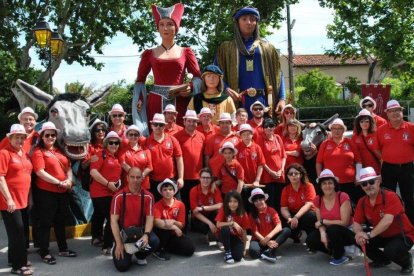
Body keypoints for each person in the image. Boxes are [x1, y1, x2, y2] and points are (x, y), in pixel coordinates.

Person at [134, 3, 201, 135]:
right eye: (162, 24)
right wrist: (139, 102)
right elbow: (140, 82)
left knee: (181, 135)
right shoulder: (149, 54)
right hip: (155, 101)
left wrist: (191, 88)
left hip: (181, 100)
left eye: (170, 24)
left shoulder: (186, 52)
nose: (165, 28)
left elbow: (198, 76)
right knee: (156, 137)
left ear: (176, 27)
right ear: (157, 28)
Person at [215, 6, 285, 119]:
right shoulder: (226, 48)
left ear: (256, 23)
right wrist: (225, 88)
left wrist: (282, 98)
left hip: (264, 103)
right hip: (237, 102)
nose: (249, 22)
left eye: (252, 19)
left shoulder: (268, 48)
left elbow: (279, 74)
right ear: (237, 23)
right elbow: (215, 74)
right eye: (244, 19)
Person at [31, 122, 77, 265]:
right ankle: (44, 252)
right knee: (45, 222)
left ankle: (63, 248)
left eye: (53, 135)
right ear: (42, 136)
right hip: (46, 193)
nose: (50, 137)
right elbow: (40, 172)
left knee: (60, 221)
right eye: (47, 135)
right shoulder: (38, 152)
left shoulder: (60, 150)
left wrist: (69, 180)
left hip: (62, 192)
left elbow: (68, 167)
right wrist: (58, 182)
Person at [353, 167, 414, 274]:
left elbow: (387, 221)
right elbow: (356, 222)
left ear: (378, 181)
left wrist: (368, 235)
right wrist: (359, 233)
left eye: (371, 182)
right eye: (364, 184)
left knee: (391, 250)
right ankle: (382, 260)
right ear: (362, 187)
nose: (368, 186)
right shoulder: (362, 201)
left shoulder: (390, 196)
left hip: (403, 235)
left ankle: (407, 261)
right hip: (382, 234)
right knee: (357, 238)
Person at [110, 167, 159, 272]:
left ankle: (140, 256)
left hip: (139, 233)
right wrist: (119, 243)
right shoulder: (118, 196)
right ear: (127, 178)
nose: (135, 180)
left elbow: (150, 218)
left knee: (154, 240)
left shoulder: (148, 196)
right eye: (132, 177)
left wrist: (146, 235)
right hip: (124, 234)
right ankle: (117, 246)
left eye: (138, 177)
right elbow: (113, 221)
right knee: (122, 267)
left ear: (142, 178)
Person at [0, 124, 33, 275]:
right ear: (10, 138)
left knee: (18, 231)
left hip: (23, 199)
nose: (19, 140)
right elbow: (0, 177)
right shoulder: (4, 153)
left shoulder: (24, 153)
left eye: (22, 137)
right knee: (18, 231)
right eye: (16, 137)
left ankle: (15, 259)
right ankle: (18, 266)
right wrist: (9, 199)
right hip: (10, 201)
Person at [305, 169, 355, 266]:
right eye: (324, 183)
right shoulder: (318, 199)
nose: (327, 186)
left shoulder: (342, 196)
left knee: (333, 229)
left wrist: (324, 221)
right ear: (320, 186)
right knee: (310, 240)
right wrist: (323, 233)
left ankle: (339, 256)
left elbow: (344, 222)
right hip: (330, 231)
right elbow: (320, 222)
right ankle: (334, 250)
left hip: (346, 231)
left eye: (330, 183)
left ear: (334, 184)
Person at [377, 100, 414, 225]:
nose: (394, 113)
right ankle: (392, 224)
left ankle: (411, 224)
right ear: (387, 114)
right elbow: (377, 149)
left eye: (397, 110)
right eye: (391, 111)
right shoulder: (381, 130)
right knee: (388, 197)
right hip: (388, 168)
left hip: (407, 168)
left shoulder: (411, 128)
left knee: (409, 197)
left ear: (402, 111)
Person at [89, 131, 122, 255]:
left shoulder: (115, 157)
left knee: (98, 214)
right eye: (111, 142)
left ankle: (96, 237)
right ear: (106, 143)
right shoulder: (100, 154)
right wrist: (108, 184)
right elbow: (93, 172)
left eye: (116, 142)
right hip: (101, 192)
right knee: (112, 217)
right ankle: (107, 245)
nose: (114, 145)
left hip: (110, 192)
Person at [316, 118, 363, 204]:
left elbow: (358, 160)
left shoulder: (350, 142)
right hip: (330, 183)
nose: (337, 131)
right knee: (334, 205)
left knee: (350, 205)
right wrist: (320, 178)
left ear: (343, 130)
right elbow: (319, 163)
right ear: (331, 130)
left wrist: (358, 176)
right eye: (334, 128)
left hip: (349, 182)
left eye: (339, 128)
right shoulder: (325, 144)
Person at [173, 110, 205, 220]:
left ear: (197, 123)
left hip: (198, 177)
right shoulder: (176, 136)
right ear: (184, 121)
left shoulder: (201, 136)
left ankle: (197, 226)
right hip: (184, 177)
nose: (191, 123)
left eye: (194, 121)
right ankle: (185, 227)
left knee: (197, 204)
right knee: (184, 204)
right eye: (189, 121)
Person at [153, 179, 195, 260]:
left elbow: (181, 225)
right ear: (161, 192)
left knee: (190, 248)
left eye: (170, 189)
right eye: (164, 190)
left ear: (174, 191)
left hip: (174, 235)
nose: (167, 191)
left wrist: (173, 222)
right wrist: (174, 226)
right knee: (164, 230)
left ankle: (167, 247)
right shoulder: (157, 205)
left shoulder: (180, 204)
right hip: (162, 234)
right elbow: (156, 222)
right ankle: (159, 250)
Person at [145, 113, 183, 202]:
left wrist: (180, 178)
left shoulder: (172, 139)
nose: (158, 127)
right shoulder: (146, 142)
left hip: (171, 179)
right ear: (151, 125)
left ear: (165, 126)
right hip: (154, 180)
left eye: (161, 125)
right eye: (155, 124)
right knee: (156, 207)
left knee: (175, 205)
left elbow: (179, 158)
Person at [248, 188, 291, 263]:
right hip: (259, 240)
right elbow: (255, 231)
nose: (258, 202)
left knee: (286, 230)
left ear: (264, 199)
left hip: (271, 237)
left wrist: (267, 238)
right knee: (254, 253)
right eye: (255, 200)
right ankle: (269, 249)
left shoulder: (271, 210)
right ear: (253, 202)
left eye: (260, 199)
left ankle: (269, 251)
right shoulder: (252, 214)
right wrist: (266, 241)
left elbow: (279, 226)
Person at [280, 164, 317, 243]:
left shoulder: (308, 186)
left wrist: (296, 217)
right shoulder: (285, 189)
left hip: (308, 214)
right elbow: (284, 208)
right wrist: (289, 218)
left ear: (301, 175)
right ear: (287, 176)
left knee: (309, 216)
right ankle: (296, 235)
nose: (293, 175)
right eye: (290, 174)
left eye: (296, 173)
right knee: (284, 227)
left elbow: (309, 204)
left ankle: (312, 237)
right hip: (293, 216)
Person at [255, 118, 286, 211]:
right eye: (266, 126)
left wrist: (281, 170)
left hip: (280, 175)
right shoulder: (260, 139)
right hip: (267, 176)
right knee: (270, 202)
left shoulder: (278, 137)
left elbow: (283, 156)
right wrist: (270, 171)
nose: (269, 128)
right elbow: (260, 159)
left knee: (280, 201)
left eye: (271, 126)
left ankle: (281, 222)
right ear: (263, 128)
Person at [190, 168, 223, 246]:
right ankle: (204, 234)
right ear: (199, 178)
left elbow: (220, 205)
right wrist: (210, 223)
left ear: (211, 179)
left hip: (209, 213)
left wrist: (203, 208)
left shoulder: (214, 189)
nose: (205, 180)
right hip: (199, 217)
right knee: (202, 225)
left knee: (219, 213)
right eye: (203, 177)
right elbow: (195, 212)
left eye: (208, 178)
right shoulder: (194, 190)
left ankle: (219, 240)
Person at [236, 123, 265, 209]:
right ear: (240, 136)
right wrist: (239, 181)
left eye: (248, 134)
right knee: (243, 206)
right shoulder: (236, 148)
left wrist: (257, 180)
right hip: (242, 183)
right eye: (244, 134)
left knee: (255, 207)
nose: (246, 136)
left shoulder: (257, 147)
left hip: (254, 184)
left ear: (252, 135)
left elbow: (261, 164)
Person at [216, 191, 250, 264]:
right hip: (224, 235)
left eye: (235, 201)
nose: (232, 204)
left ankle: (230, 249)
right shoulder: (224, 209)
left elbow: (244, 231)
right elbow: (218, 224)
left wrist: (244, 249)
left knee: (238, 257)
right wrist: (232, 223)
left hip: (235, 237)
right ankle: (227, 252)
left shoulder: (243, 213)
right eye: (230, 201)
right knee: (225, 228)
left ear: (239, 202)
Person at [204, 112, 240, 177]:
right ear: (219, 124)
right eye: (222, 123)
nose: (224, 125)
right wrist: (208, 172)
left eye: (227, 123)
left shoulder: (237, 137)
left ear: (231, 124)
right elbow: (207, 156)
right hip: (215, 173)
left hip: (232, 174)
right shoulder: (213, 138)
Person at [119, 125, 152, 191]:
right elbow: (123, 163)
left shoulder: (146, 150)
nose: (133, 136)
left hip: (143, 183)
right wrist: (136, 176)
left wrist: (142, 175)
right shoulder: (123, 150)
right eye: (131, 134)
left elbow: (150, 167)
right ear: (127, 136)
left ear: (139, 136)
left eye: (136, 134)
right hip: (127, 184)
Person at [352, 109, 381, 174]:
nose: (364, 123)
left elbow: (381, 154)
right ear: (358, 123)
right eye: (361, 121)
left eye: (366, 121)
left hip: (376, 169)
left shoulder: (377, 134)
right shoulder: (355, 137)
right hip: (362, 170)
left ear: (370, 122)